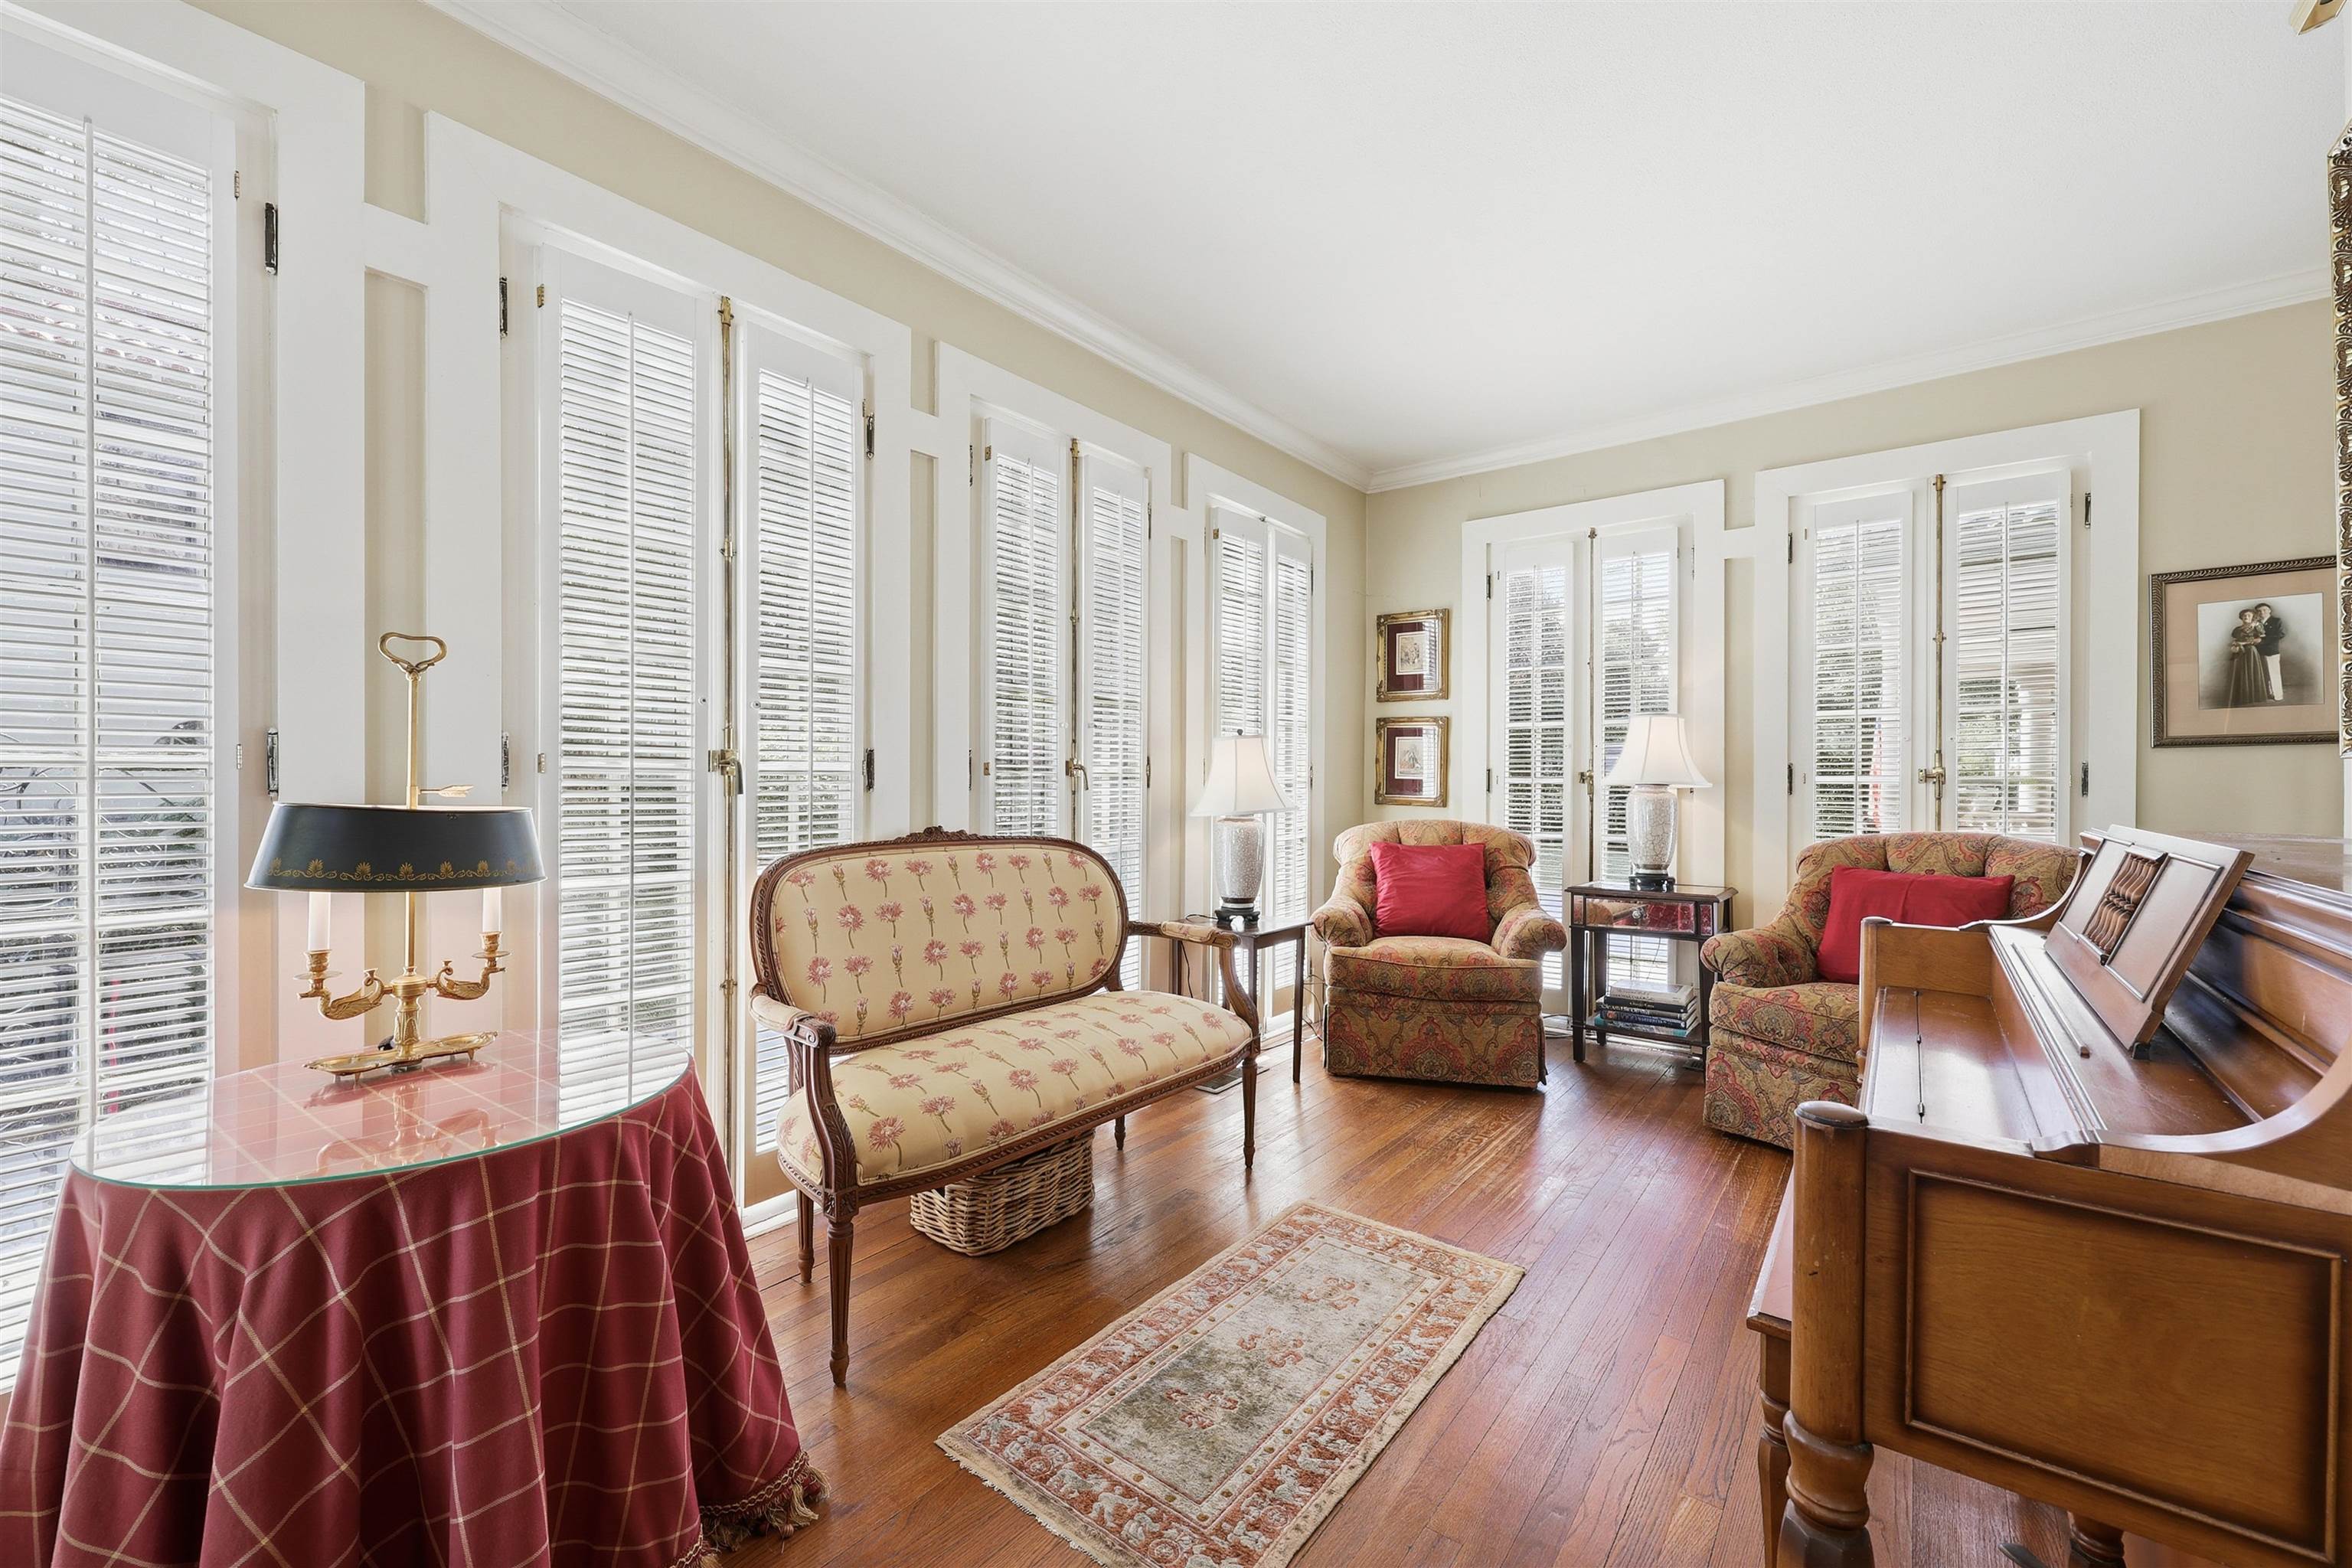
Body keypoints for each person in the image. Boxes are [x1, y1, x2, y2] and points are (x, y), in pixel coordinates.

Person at [2226, 608, 2270, 707]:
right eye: (2244, 616)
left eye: (2249, 616)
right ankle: (2241, 697)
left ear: (2253, 618)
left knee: (2251, 671)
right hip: (2239, 652)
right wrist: (2235, 645)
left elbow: (2260, 640)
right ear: (2241, 618)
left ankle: (2253, 697)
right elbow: (2235, 640)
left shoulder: (2257, 627)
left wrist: (2244, 643)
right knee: (2240, 672)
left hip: (2250, 651)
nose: (2246, 617)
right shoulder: (2237, 630)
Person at [2255, 601, 2288, 702]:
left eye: (2264, 610)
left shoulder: (2276, 621)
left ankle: (2278, 695)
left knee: (2274, 673)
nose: (2262, 613)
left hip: (2272, 651)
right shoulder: (2256, 623)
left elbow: (2281, 634)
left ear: (2270, 611)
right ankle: (2268, 694)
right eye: (2259, 611)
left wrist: (2262, 640)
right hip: (2259, 652)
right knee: (2264, 674)